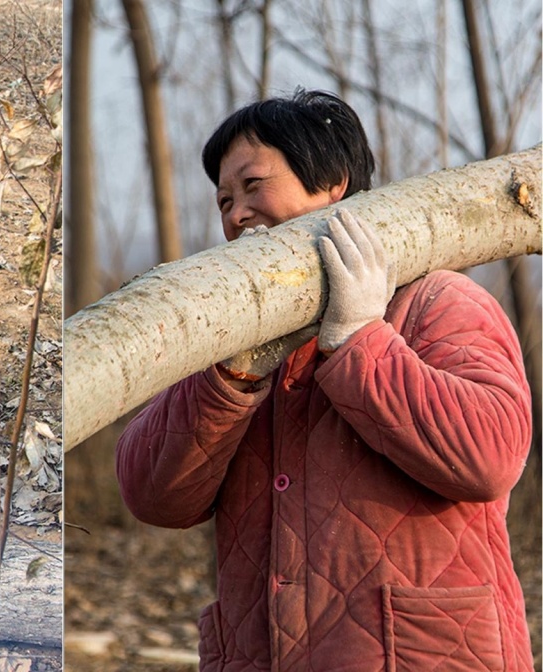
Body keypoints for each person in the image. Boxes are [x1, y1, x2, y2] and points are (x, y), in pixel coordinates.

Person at [115, 89, 533, 670]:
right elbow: (151, 494)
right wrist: (229, 377)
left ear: (334, 181)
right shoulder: (233, 344)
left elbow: (490, 455)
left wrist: (361, 338)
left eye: (254, 185)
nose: (235, 214)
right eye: (224, 199)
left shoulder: (440, 301)